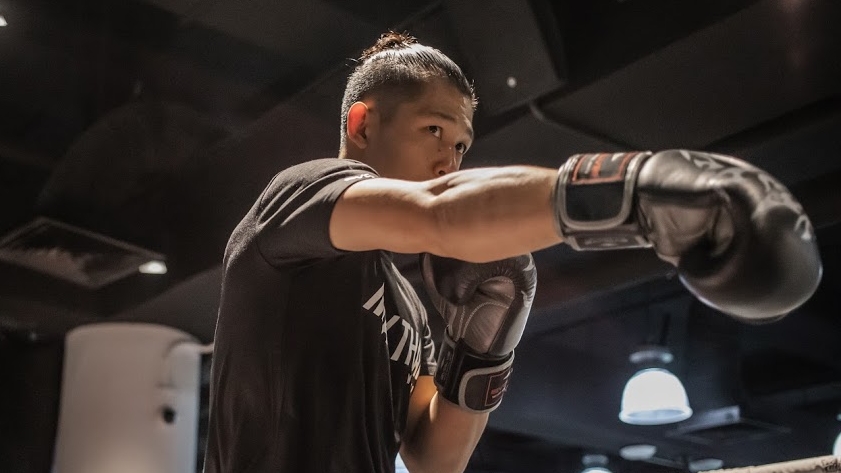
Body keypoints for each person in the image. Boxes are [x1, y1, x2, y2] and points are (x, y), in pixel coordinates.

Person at [202, 31, 821, 473]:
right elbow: (439, 212)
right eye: (433, 129)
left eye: (462, 146)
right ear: (362, 124)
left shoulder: (408, 307)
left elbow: (434, 458)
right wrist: (645, 192)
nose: (448, 159)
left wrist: (485, 349)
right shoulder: (300, 195)